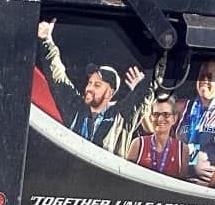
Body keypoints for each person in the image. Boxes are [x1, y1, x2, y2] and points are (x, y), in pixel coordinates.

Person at [36, 19, 152, 156]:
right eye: (90, 83)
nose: (89, 88)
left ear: (110, 93)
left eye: (97, 85)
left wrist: (144, 84)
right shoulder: (74, 108)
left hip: (104, 177)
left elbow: (144, 97)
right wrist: (46, 41)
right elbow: (58, 78)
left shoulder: (121, 117)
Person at [127, 100, 189, 180]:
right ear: (150, 118)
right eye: (156, 115)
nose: (160, 119)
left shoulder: (182, 149)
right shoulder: (138, 144)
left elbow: (182, 185)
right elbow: (127, 177)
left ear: (174, 118)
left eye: (166, 115)